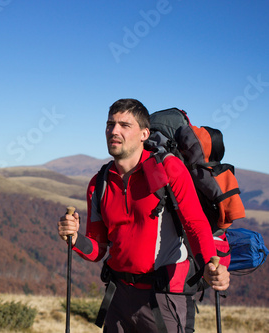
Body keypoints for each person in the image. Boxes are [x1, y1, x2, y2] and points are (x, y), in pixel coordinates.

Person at [57, 98, 230, 333]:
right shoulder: (98, 184)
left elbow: (195, 224)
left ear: (144, 133)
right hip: (118, 298)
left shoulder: (168, 169)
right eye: (110, 124)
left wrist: (211, 265)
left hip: (164, 297)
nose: (114, 131)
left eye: (124, 125)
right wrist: (75, 239)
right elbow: (98, 250)